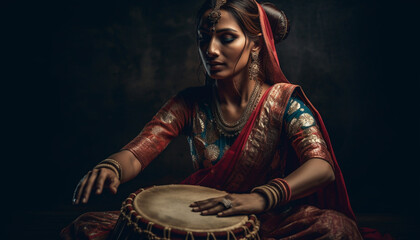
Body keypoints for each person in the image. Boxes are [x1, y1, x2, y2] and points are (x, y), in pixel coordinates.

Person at [61, 0, 391, 239]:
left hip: (269, 217)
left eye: (226, 37)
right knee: (88, 227)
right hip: (203, 216)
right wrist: (113, 167)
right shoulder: (189, 104)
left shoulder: (281, 102)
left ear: (256, 44)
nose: (212, 50)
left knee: (335, 229)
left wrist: (260, 198)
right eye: (204, 39)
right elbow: (141, 150)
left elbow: (323, 167)